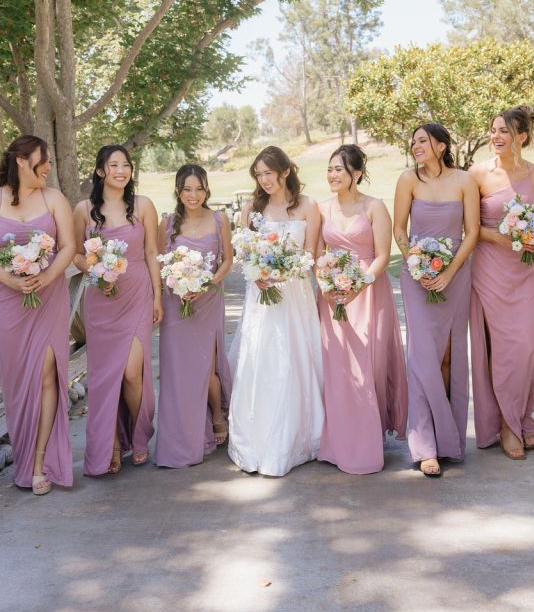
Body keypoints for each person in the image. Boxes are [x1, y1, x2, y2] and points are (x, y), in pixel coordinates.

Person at [0, 135, 75, 495]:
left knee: (47, 373)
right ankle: (24, 455)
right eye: (42, 160)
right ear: (20, 160)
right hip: (8, 300)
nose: (48, 167)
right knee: (18, 382)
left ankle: (40, 462)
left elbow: (69, 246)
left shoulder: (54, 198)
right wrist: (13, 282)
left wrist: (46, 276)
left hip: (49, 297)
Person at [228, 146, 324, 476]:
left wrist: (287, 271)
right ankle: (256, 441)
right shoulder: (251, 209)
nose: (264, 180)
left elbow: (310, 254)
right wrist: (257, 273)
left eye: (269, 173)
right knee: (261, 358)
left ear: (285, 172)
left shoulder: (307, 205)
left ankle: (294, 439)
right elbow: (244, 253)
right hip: (261, 295)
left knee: (293, 360)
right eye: (258, 175)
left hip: (295, 295)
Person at [470, 106, 534, 459]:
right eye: (493, 130)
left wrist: (531, 233)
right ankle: (507, 425)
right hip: (490, 269)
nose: (496, 136)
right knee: (502, 349)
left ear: (521, 136)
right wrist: (502, 237)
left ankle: (522, 415)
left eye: (504, 131)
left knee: (528, 348)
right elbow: (469, 228)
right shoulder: (477, 175)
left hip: (525, 271)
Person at [393, 125, 479, 476]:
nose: (415, 145)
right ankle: (425, 445)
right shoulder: (407, 180)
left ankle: (448, 439)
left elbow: (472, 232)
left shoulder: (464, 181)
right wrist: (415, 264)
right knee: (421, 356)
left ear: (441, 146)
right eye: (413, 141)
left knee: (448, 356)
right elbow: (399, 230)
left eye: (422, 140)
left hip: (455, 276)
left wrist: (449, 272)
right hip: (416, 279)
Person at [317, 144, 407, 474]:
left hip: (368, 294)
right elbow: (317, 255)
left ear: (356, 173)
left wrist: (359, 284)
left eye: (339, 169)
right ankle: (339, 441)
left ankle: (369, 440)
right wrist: (326, 285)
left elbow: (382, 255)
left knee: (368, 367)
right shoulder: (321, 209)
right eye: (329, 169)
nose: (332, 175)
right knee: (339, 369)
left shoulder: (374, 206)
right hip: (333, 297)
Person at [73, 145, 162, 475]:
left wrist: (157, 296)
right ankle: (110, 444)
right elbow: (75, 254)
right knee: (104, 376)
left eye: (126, 165)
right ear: (101, 171)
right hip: (101, 300)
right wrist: (98, 271)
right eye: (114, 165)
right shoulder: (83, 210)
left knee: (131, 373)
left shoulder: (143, 205)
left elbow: (152, 253)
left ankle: (139, 435)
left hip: (137, 294)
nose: (121, 170)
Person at [155, 164, 233, 467]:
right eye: (187, 189)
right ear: (178, 191)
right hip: (177, 302)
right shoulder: (168, 222)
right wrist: (177, 285)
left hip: (209, 300)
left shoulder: (219, 219)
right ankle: (181, 437)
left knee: (206, 365)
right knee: (178, 369)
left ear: (206, 189)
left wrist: (206, 284)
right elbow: (161, 262)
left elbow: (227, 261)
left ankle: (217, 415)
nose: (193, 195)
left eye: (199, 188)